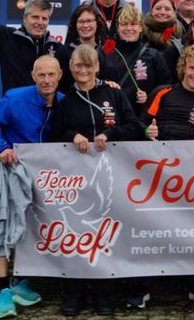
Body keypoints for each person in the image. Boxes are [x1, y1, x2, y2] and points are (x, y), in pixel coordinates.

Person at [48, 44, 145, 315]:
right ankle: (75, 293)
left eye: (89, 65)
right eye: (79, 65)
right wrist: (72, 136)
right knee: (76, 236)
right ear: (71, 68)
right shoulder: (65, 102)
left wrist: (109, 134)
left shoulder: (114, 94)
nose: (84, 70)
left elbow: (134, 126)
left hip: (111, 177)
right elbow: (53, 135)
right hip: (76, 180)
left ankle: (104, 293)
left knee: (105, 237)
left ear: (97, 67)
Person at [0, 55, 63, 318]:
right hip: (9, 170)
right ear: (33, 76)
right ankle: (2, 289)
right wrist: (0, 148)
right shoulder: (15, 98)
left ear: (60, 76)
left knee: (35, 228)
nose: (46, 80)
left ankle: (19, 280)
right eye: (41, 75)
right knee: (1, 227)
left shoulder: (65, 102)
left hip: (44, 175)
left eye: (51, 74)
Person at [142, 44, 194, 308]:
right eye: (191, 67)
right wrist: (147, 132)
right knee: (150, 231)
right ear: (182, 67)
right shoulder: (162, 93)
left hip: (191, 179)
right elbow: (139, 124)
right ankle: (140, 287)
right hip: (157, 175)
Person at [102, 4, 172, 113]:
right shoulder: (104, 52)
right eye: (124, 24)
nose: (129, 28)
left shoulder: (153, 56)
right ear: (118, 27)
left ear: (140, 27)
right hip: (110, 116)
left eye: (133, 24)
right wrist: (105, 84)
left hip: (141, 118)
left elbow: (166, 89)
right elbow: (91, 82)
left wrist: (149, 98)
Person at [56, 4, 108, 93]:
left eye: (89, 21)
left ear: (97, 24)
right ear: (75, 25)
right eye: (81, 21)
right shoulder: (63, 52)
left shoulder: (106, 51)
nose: (85, 25)